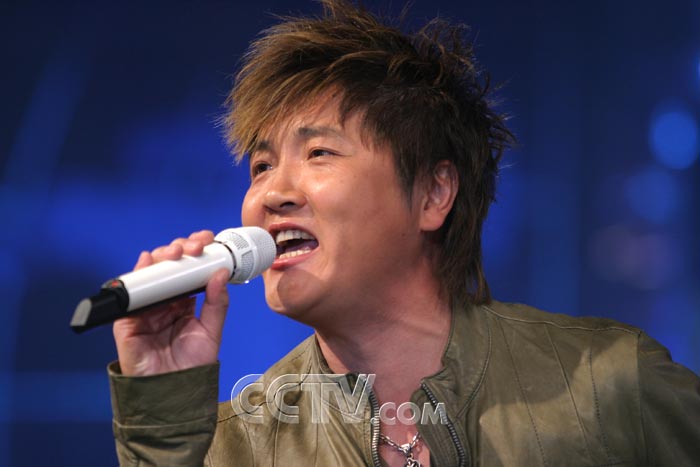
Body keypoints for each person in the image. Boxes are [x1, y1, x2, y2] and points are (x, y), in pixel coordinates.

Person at [108, 1, 700, 466]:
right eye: (261, 166)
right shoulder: (237, 447)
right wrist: (163, 433)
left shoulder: (607, 385)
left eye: (318, 152)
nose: (270, 193)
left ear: (433, 195)